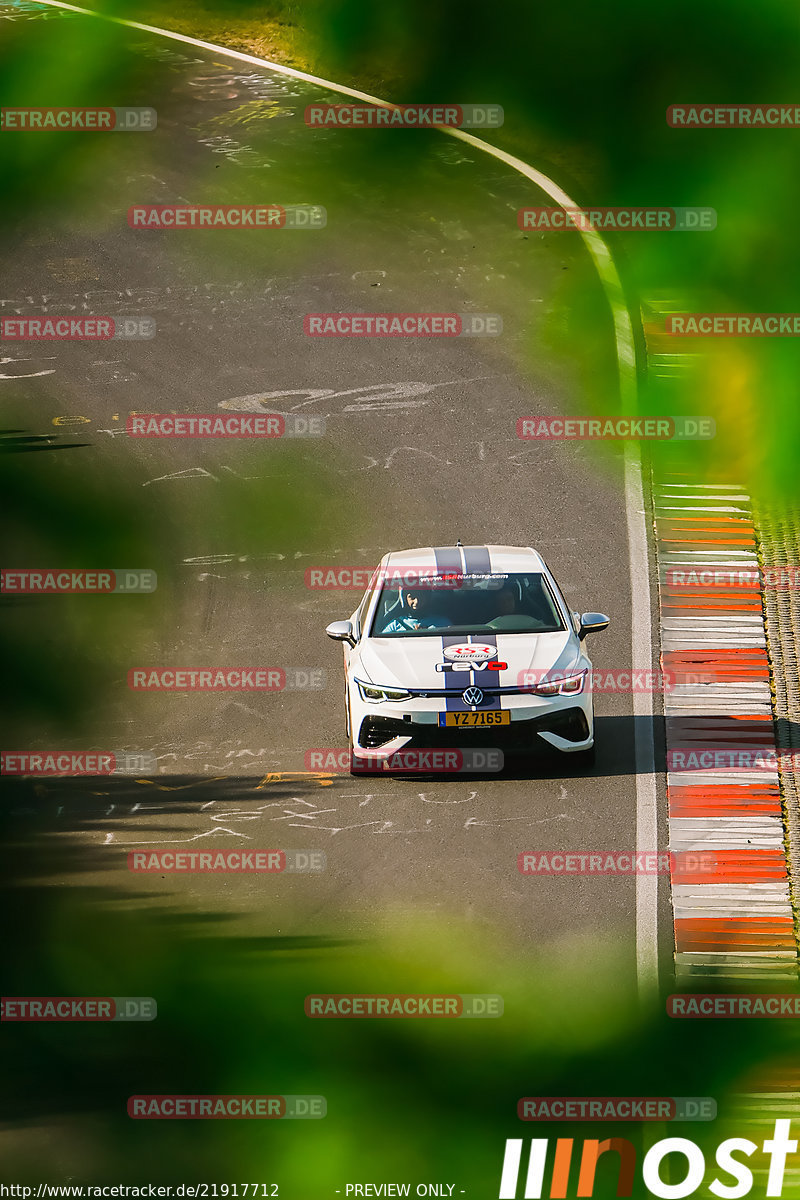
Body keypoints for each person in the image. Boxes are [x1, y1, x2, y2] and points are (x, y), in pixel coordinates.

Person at [382, 587, 451, 632]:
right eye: (412, 597)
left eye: (420, 596)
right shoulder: (395, 625)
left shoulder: (442, 623)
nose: (416, 601)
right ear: (405, 599)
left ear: (427, 598)